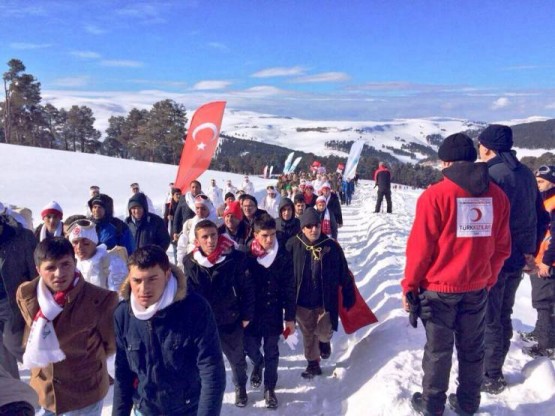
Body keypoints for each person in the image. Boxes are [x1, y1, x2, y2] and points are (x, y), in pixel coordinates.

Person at [401, 133, 511, 415]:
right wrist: (488, 278)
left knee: (438, 353)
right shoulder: (497, 196)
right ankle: (467, 404)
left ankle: (432, 406)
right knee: (473, 352)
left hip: (438, 290)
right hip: (476, 289)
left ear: (446, 162)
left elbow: (420, 250)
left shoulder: (435, 196)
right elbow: (502, 247)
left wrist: (409, 286)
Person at [477, 124, 549, 394]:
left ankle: (490, 375)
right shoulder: (526, 175)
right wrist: (529, 250)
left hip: (496, 257)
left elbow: (485, 222)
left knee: (491, 317)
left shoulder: (491, 175)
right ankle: (493, 368)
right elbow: (542, 217)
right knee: (503, 314)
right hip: (519, 258)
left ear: (487, 147)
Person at [112, 245, 226, 416]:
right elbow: (123, 373)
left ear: (166, 275)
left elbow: (212, 371)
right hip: (145, 409)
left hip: (187, 409)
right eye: (137, 280)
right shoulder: (123, 314)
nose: (143, 289)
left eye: (152, 279)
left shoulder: (195, 309)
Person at [16, 237, 118, 415]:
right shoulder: (27, 294)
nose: (59, 273)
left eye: (65, 264)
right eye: (50, 267)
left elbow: (109, 344)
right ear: (38, 270)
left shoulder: (99, 299)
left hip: (84, 391)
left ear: (74, 262)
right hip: (45, 389)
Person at [183, 220, 255, 407]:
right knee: (202, 361)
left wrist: (247, 315)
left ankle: (240, 386)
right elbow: (187, 293)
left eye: (213, 235)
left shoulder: (235, 258)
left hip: (229, 318)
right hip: (203, 322)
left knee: (236, 358)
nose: (210, 240)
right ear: (197, 241)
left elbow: (247, 288)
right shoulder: (190, 262)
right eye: (205, 237)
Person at [286, 208, 355, 379]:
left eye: (316, 225)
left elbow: (343, 272)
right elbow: (284, 274)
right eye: (309, 226)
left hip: (325, 301)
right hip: (302, 302)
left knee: (324, 331)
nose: (313, 230)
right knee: (308, 334)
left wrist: (348, 292)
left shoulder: (331, 247)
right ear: (302, 228)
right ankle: (313, 364)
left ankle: (324, 343)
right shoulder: (293, 245)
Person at [245, 214, 296, 409]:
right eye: (265, 235)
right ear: (255, 234)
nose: (269, 239)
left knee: (272, 351)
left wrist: (290, 317)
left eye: (273, 234)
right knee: (249, 346)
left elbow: (289, 288)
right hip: (250, 313)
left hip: (273, 311)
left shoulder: (282, 256)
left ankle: (269, 388)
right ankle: (258, 363)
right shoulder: (246, 256)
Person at [522, 165, 555, 358]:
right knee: (542, 299)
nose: (537, 184)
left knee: (545, 302)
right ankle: (540, 332)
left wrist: (547, 262)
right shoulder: (544, 200)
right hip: (541, 259)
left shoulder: (553, 202)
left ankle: (546, 345)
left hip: (548, 262)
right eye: (536, 181)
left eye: (541, 181)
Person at [0, 213, 37, 379]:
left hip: (13, 301)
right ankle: (13, 395)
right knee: (2, 354)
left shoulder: (21, 237)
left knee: (13, 342)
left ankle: (49, 371)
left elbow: (36, 271)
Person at [67, 219, 128, 292]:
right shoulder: (72, 265)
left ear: (94, 242)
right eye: (75, 243)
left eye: (85, 243)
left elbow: (119, 295)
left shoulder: (111, 262)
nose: (79, 247)